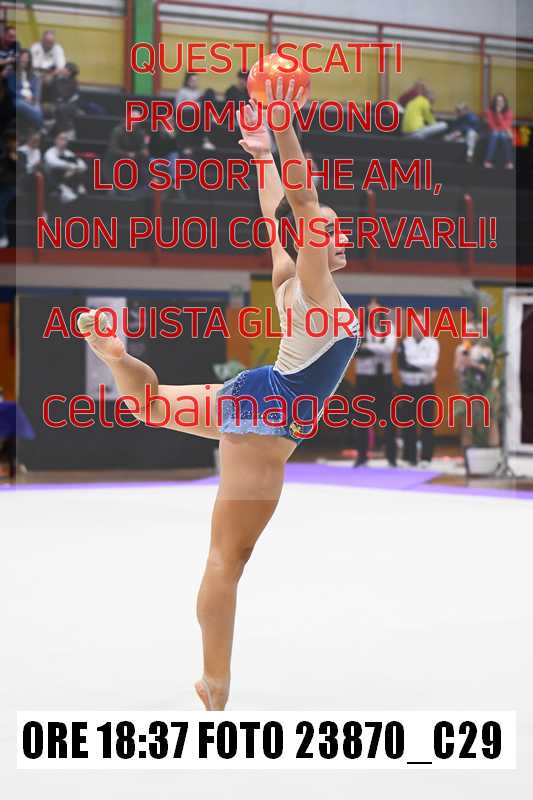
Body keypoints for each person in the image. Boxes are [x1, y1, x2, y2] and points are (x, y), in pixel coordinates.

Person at [75, 82, 359, 711]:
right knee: (228, 558)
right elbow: (302, 200)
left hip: (255, 395)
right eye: (331, 232)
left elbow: (275, 212)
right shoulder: (318, 291)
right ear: (313, 240)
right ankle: (215, 679)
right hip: (268, 418)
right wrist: (281, 124)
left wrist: (259, 155)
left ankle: (118, 359)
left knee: (148, 405)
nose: (339, 237)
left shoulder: (288, 277)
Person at [353, 298, 397, 467]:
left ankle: (391, 457)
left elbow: (389, 349)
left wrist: (368, 348)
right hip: (364, 377)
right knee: (362, 417)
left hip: (383, 377)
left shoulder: (388, 327)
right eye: (370, 309)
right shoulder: (359, 328)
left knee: (389, 418)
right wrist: (371, 349)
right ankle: (361, 456)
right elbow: (355, 350)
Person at [397, 325, 440, 467]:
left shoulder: (432, 343)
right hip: (408, 386)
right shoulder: (406, 343)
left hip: (426, 385)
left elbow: (431, 363)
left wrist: (412, 363)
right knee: (408, 422)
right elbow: (402, 365)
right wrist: (421, 364)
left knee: (427, 422)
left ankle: (426, 457)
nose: (417, 330)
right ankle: (409, 457)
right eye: (415, 328)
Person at [43, 130, 87, 203]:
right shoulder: (50, 152)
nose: (64, 142)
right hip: (52, 180)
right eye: (61, 139)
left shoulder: (69, 153)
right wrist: (69, 166)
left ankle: (77, 187)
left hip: (68, 177)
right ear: (56, 140)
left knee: (78, 170)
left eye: (66, 139)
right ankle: (62, 189)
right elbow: (52, 163)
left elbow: (83, 165)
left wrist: (73, 169)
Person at [6, 49, 43, 129]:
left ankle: (39, 129)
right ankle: (41, 128)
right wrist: (23, 97)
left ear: (29, 60)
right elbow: (11, 90)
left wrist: (34, 99)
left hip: (31, 100)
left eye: (26, 58)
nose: (24, 60)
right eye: (22, 57)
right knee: (31, 109)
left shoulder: (34, 76)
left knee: (37, 107)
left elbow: (36, 90)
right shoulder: (12, 73)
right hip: (18, 99)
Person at [484, 93, 514, 169]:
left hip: (504, 131)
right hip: (492, 131)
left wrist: (499, 115)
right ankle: (487, 161)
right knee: (495, 134)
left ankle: (509, 162)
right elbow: (492, 125)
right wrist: (497, 113)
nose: (499, 103)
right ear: (494, 102)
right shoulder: (489, 111)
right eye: (497, 101)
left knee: (502, 135)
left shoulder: (509, 111)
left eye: (501, 101)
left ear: (505, 102)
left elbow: (507, 125)